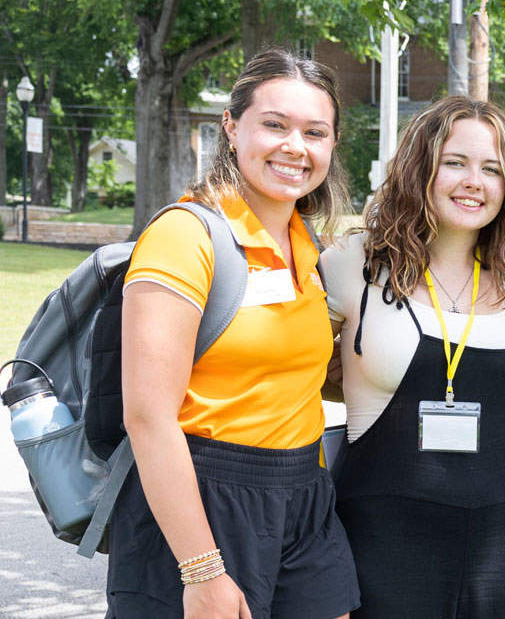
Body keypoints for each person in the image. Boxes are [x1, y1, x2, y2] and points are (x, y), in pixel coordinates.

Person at [110, 48, 359, 618]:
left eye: (314, 132)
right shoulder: (185, 236)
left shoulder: (307, 246)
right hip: (202, 498)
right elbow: (147, 418)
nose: (295, 146)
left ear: (332, 145)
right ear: (231, 126)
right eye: (274, 125)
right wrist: (201, 570)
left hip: (304, 492)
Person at [322, 96, 505, 617]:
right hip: (380, 539)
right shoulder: (351, 264)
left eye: (492, 169)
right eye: (455, 163)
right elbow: (302, 372)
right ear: (420, 168)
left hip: (504, 548)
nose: (474, 181)